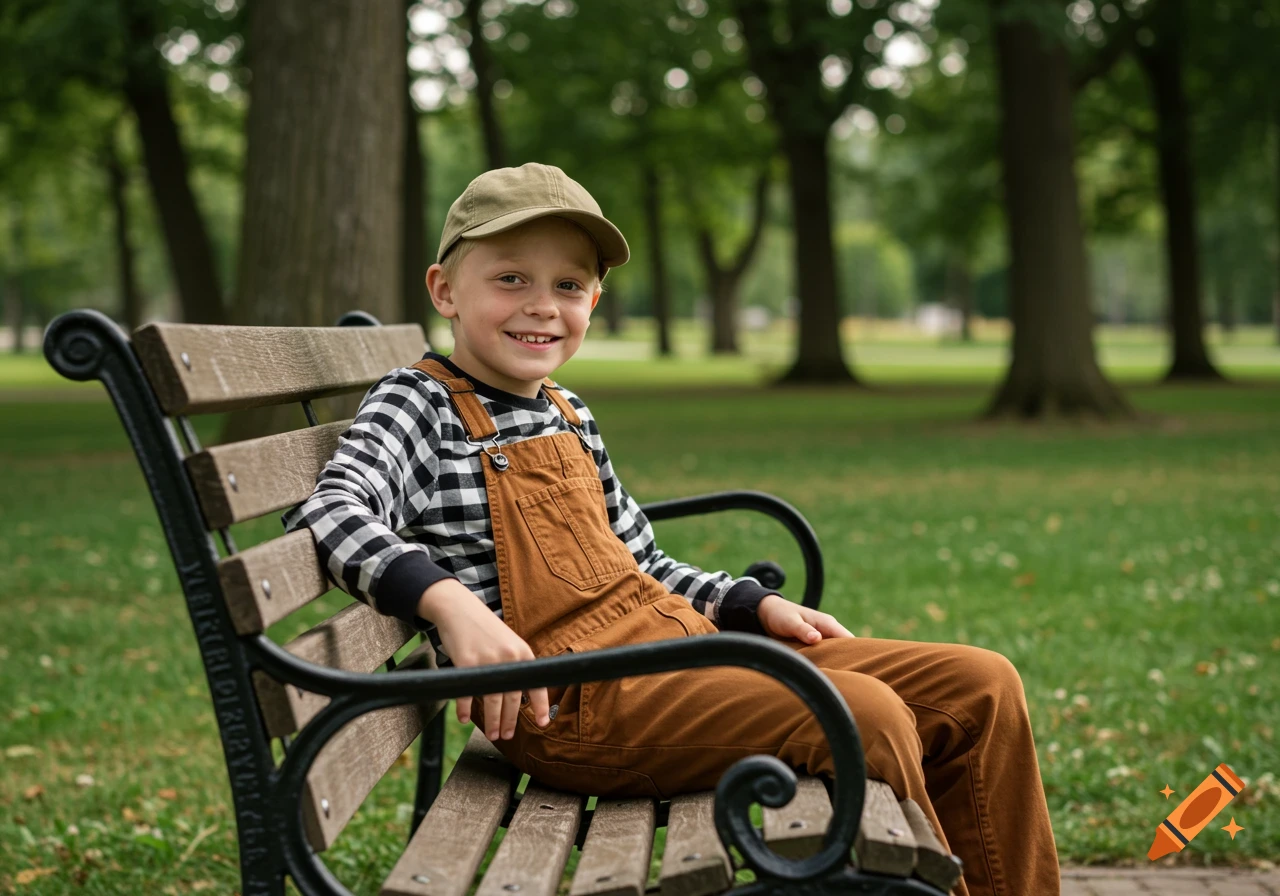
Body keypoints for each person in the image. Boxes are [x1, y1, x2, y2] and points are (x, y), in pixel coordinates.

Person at [283, 162, 1060, 896]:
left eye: (569, 284)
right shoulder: (418, 404)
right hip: (572, 704)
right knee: (863, 715)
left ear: (592, 301)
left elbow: (639, 559)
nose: (542, 305)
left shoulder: (567, 411)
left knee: (983, 685)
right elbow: (329, 510)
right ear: (446, 289)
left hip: (674, 651)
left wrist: (748, 605)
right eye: (510, 278)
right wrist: (451, 606)